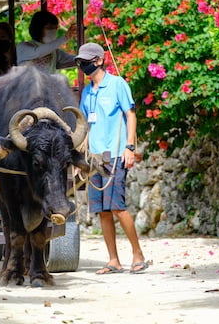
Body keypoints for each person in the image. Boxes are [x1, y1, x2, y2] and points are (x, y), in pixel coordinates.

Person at [77, 42, 149, 275]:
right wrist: (81, 159)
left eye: (86, 61)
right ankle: (113, 260)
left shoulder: (117, 84)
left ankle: (137, 254)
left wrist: (129, 147)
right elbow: (84, 124)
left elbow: (130, 114)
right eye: (80, 62)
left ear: (99, 60)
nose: (82, 65)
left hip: (116, 153)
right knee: (102, 210)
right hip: (95, 158)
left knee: (117, 206)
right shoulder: (87, 91)